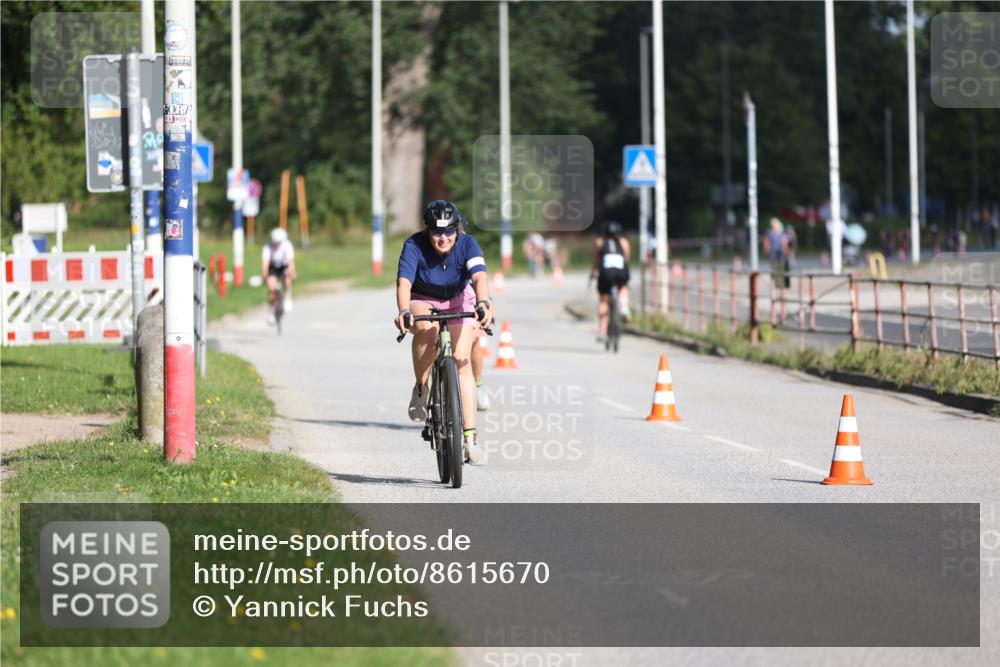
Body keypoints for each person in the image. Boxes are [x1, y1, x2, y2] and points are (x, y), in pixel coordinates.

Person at [394, 200, 495, 465]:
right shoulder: (414, 245)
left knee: (462, 362)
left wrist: (484, 303)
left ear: (456, 229)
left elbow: (479, 277)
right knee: (426, 328)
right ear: (428, 230)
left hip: (458, 300)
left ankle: (470, 441)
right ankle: (421, 387)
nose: (443, 238)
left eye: (449, 231)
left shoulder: (467, 243)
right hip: (423, 299)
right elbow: (404, 282)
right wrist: (403, 310)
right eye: (437, 232)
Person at [591, 220, 631, 341]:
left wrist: (593, 273)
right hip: (621, 271)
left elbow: (597, 261)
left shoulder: (600, 242)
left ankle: (602, 331)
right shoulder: (624, 242)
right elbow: (626, 259)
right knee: (622, 287)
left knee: (604, 300)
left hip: (606, 273)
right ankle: (624, 307)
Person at [262, 227, 296, 325]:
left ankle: (287, 296)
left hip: (284, 266)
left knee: (288, 276)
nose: (277, 244)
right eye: (275, 242)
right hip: (273, 267)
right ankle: (271, 312)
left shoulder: (287, 245)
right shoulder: (267, 248)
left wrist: (292, 271)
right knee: (271, 289)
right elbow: (265, 265)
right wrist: (265, 275)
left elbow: (291, 262)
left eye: (279, 242)